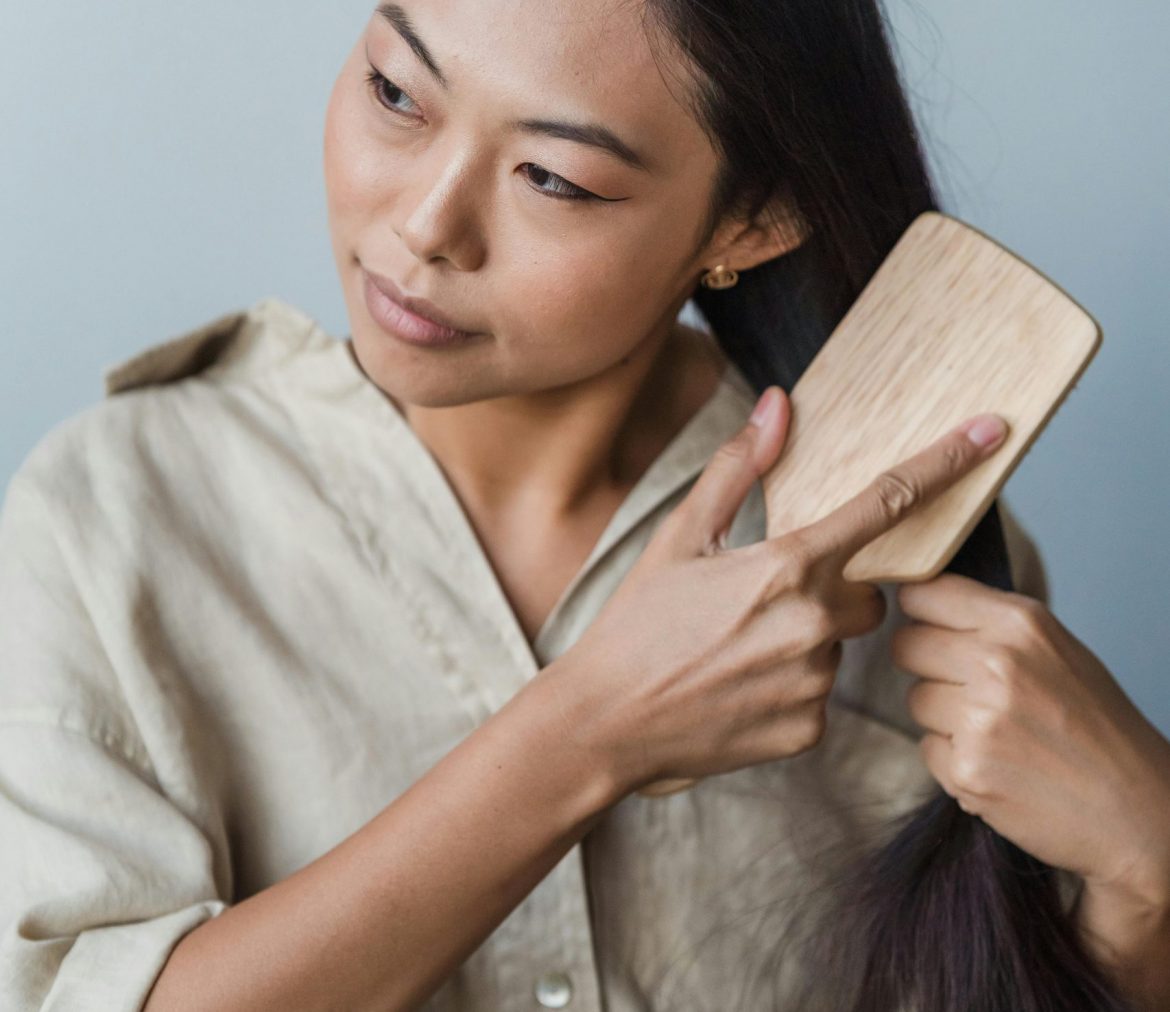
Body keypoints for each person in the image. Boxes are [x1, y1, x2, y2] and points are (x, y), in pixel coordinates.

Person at [2, 2, 1168, 1010]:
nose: (424, 226)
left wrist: (1149, 884)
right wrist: (591, 727)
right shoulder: (112, 515)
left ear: (750, 225)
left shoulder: (900, 554)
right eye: (395, 93)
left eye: (553, 177)